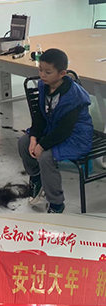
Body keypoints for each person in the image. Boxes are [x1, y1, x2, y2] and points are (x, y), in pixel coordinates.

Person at [18, 48, 93, 214]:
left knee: (46, 157)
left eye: (48, 72)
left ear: (62, 73)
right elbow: (39, 116)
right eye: (40, 70)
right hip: (53, 129)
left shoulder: (74, 96)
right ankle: (36, 177)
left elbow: (64, 130)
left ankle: (57, 204)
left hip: (76, 136)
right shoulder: (44, 86)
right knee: (23, 142)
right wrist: (34, 138)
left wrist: (42, 145)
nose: (42, 75)